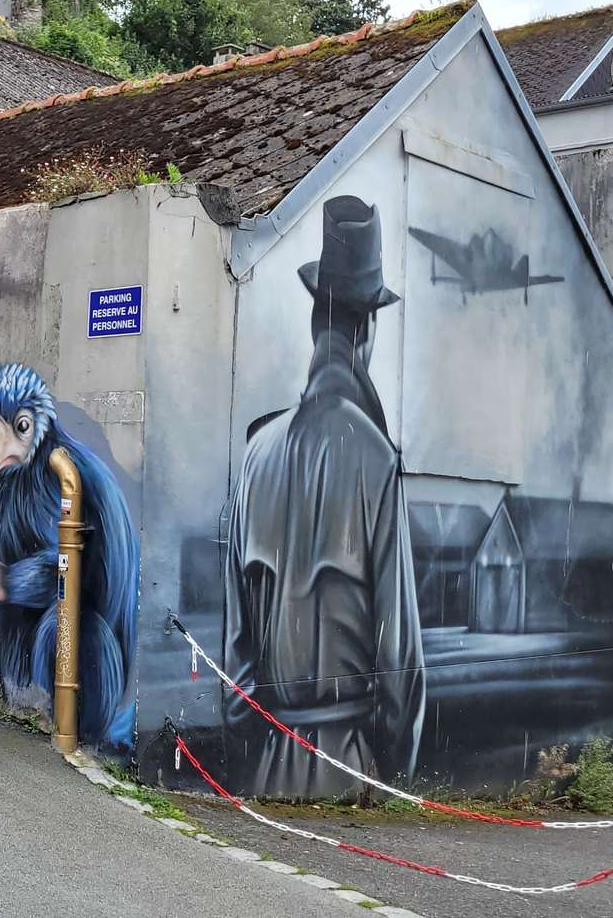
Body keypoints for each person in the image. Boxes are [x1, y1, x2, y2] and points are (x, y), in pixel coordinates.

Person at [224, 195, 425, 799]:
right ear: (366, 330)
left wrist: (252, 761)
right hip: (352, 766)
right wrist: (393, 780)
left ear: (317, 322)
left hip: (267, 765)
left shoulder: (256, 454)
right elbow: (401, 664)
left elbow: (235, 667)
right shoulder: (377, 459)